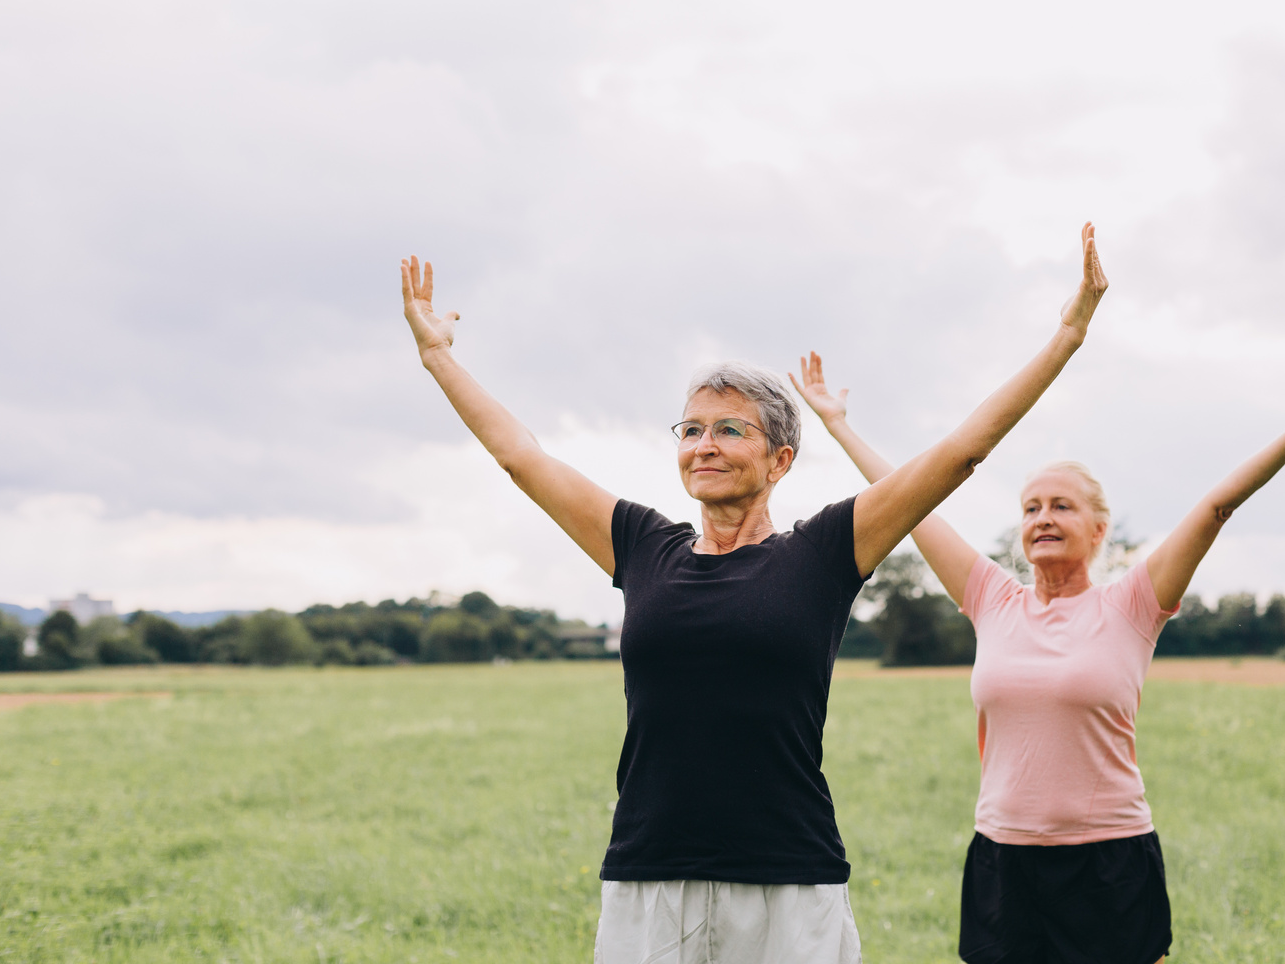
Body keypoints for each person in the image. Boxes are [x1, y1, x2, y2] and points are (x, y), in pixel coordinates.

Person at [398, 224, 1109, 964]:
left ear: (781, 458)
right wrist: (438, 356)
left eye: (730, 429)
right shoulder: (642, 545)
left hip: (787, 881)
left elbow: (961, 452)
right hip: (652, 874)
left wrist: (1066, 336)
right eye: (692, 429)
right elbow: (522, 457)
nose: (703, 444)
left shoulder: (825, 552)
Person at [792, 334, 1285, 964]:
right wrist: (840, 427)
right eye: (1031, 508)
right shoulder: (991, 598)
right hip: (1003, 857)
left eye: (1062, 506)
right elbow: (912, 504)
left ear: (1099, 528)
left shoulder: (1133, 603)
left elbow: (1216, 507)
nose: (1043, 518)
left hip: (1108, 859)